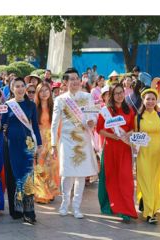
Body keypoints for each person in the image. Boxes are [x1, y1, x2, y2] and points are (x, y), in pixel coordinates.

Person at [51, 68, 98, 219]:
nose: (75, 81)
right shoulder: (60, 99)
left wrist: (92, 122)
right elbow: (54, 123)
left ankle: (77, 207)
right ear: (65, 82)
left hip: (83, 140)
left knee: (81, 175)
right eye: (71, 79)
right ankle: (65, 204)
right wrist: (53, 144)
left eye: (77, 78)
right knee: (67, 173)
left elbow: (93, 116)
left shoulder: (87, 96)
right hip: (66, 141)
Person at [1, 77, 42, 224]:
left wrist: (40, 144)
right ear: (12, 88)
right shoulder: (7, 105)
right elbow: (2, 124)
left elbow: (35, 126)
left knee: (27, 178)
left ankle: (29, 211)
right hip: (11, 146)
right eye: (16, 86)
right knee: (14, 177)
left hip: (27, 145)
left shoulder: (31, 105)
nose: (19, 88)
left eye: (21, 86)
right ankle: (16, 210)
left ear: (25, 88)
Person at [96, 83, 137, 223]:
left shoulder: (129, 110)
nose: (119, 95)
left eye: (121, 92)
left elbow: (133, 128)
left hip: (124, 148)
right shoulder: (106, 111)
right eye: (116, 93)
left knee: (125, 178)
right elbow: (99, 129)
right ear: (112, 95)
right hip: (110, 148)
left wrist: (127, 135)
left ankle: (127, 209)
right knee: (112, 178)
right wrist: (112, 136)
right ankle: (114, 206)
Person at [135, 89, 160, 224]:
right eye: (148, 99)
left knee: (155, 181)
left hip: (157, 153)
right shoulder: (138, 117)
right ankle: (149, 211)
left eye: (153, 99)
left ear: (156, 101)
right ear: (143, 101)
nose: (150, 101)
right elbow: (134, 135)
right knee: (145, 179)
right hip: (143, 153)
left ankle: (149, 205)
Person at [34, 83, 60, 204]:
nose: (44, 93)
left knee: (52, 166)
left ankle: (51, 191)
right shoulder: (34, 108)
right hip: (39, 139)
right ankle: (41, 192)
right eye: (41, 91)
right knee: (40, 166)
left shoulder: (54, 106)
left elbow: (58, 124)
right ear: (38, 93)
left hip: (52, 140)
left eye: (46, 90)